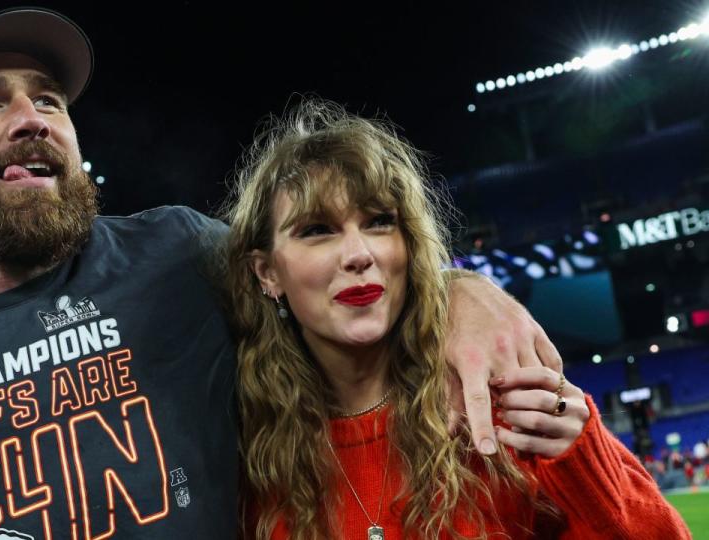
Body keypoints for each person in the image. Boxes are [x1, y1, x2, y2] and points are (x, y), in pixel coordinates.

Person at [0, 8, 562, 539]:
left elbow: (333, 265)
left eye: (50, 99)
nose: (33, 116)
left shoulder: (179, 257)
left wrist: (460, 290)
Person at [223, 99, 691, 539]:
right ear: (267, 273)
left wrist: (582, 459)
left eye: (379, 222)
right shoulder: (240, 451)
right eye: (317, 230)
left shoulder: (497, 404)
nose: (358, 254)